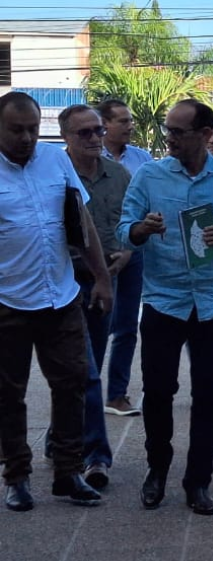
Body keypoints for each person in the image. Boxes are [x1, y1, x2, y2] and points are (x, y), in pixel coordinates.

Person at [117, 99, 213, 516]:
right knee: (159, 391)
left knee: (209, 395)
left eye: (178, 131)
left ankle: (198, 482)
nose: (169, 138)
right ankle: (156, 470)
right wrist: (142, 229)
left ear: (205, 134)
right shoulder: (150, 174)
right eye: (167, 130)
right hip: (163, 300)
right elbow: (125, 230)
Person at [0, 92, 110, 511]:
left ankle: (68, 472)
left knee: (74, 384)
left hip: (61, 296)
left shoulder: (55, 161)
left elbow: (81, 222)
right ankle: (17, 477)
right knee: (8, 394)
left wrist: (100, 278)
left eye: (32, 128)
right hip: (7, 300)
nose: (27, 137)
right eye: (16, 130)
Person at [60, 104, 130, 490]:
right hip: (65, 283)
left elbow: (132, 222)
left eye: (98, 132)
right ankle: (96, 456)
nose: (93, 139)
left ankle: (60, 436)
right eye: (84, 133)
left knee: (88, 370)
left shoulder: (119, 175)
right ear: (65, 137)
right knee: (85, 373)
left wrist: (129, 253)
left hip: (107, 281)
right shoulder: (57, 176)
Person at [96, 98, 150, 417]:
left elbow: (146, 204)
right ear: (104, 124)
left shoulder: (142, 159)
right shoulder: (84, 157)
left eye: (130, 120)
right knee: (96, 328)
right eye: (122, 121)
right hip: (96, 256)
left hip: (134, 253)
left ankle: (117, 394)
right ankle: (84, 391)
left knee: (128, 326)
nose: (130, 125)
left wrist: (130, 248)